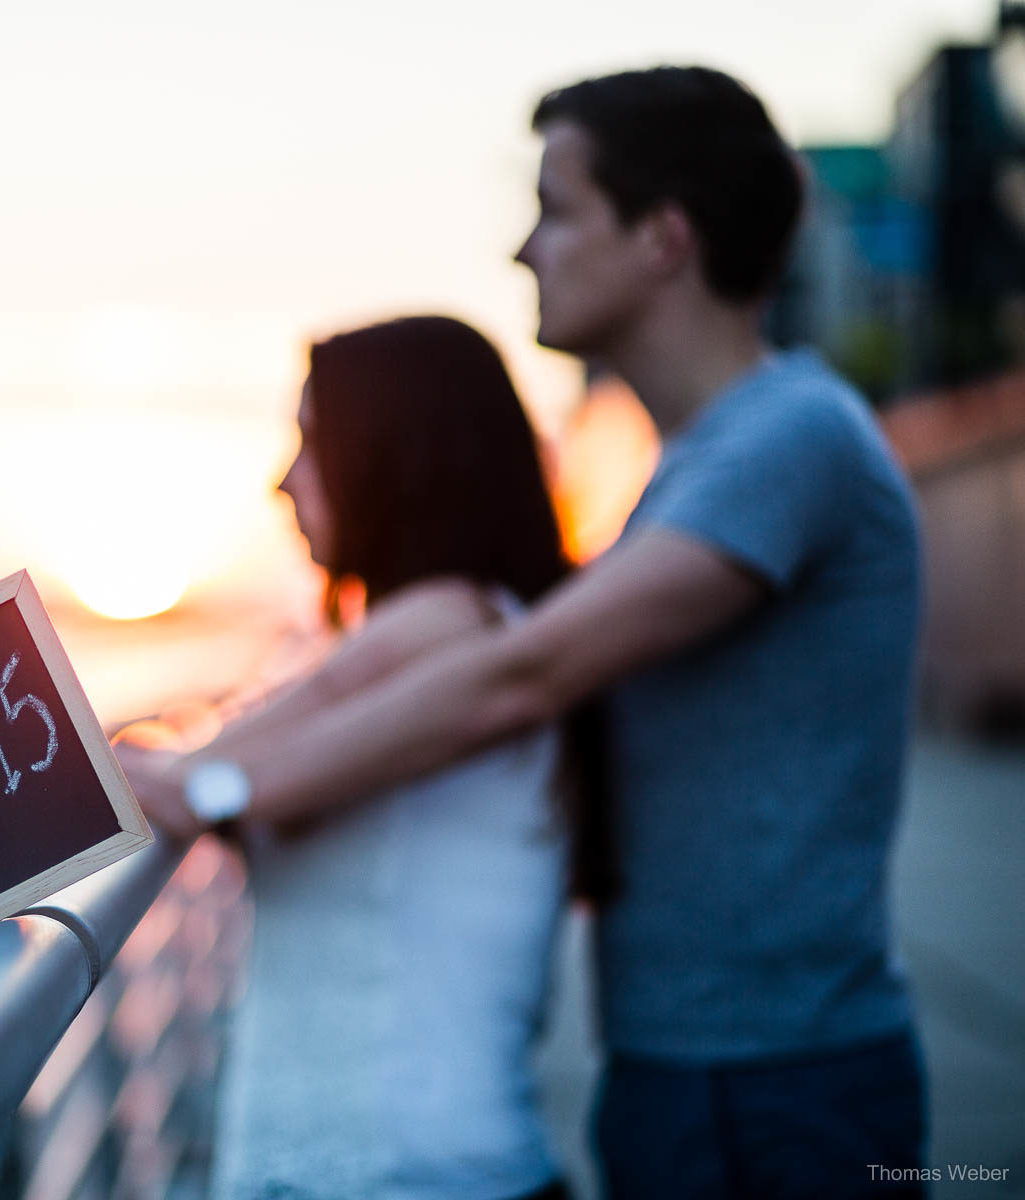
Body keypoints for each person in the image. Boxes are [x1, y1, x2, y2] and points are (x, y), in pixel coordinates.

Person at [120, 66, 925, 1199]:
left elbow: (526, 671)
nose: (524, 251)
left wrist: (216, 790)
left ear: (664, 238)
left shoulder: (792, 439)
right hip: (676, 1070)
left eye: (557, 208)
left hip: (791, 1082)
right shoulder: (687, 477)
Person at [163, 315, 602, 1200]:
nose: (283, 481)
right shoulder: (476, 623)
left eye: (312, 442)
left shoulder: (444, 626)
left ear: (397, 461)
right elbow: (209, 772)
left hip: (400, 1178)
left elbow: (217, 779)